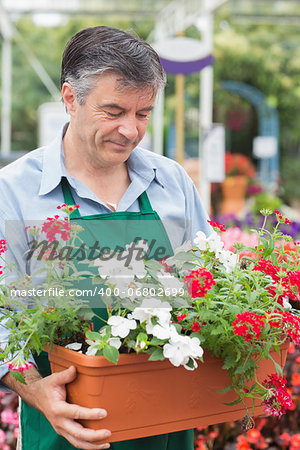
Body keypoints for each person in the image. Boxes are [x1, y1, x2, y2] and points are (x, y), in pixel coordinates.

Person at [0, 26, 212, 450]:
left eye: (143, 113)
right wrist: (36, 391)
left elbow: (208, 284)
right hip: (68, 425)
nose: (130, 131)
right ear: (71, 98)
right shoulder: (14, 192)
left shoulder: (170, 182)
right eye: (114, 111)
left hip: (166, 423)